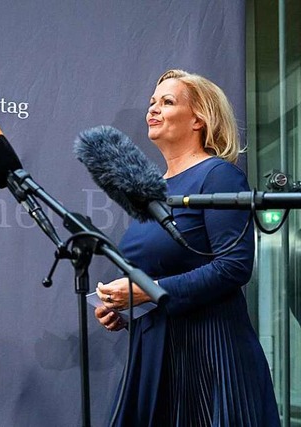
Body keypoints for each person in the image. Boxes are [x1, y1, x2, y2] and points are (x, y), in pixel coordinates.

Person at [95, 69, 280, 426]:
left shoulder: (219, 175)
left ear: (199, 119)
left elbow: (233, 266)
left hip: (208, 353)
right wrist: (124, 309)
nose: (153, 109)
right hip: (155, 353)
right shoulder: (152, 189)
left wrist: (147, 291)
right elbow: (161, 273)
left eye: (167, 102)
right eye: (152, 102)